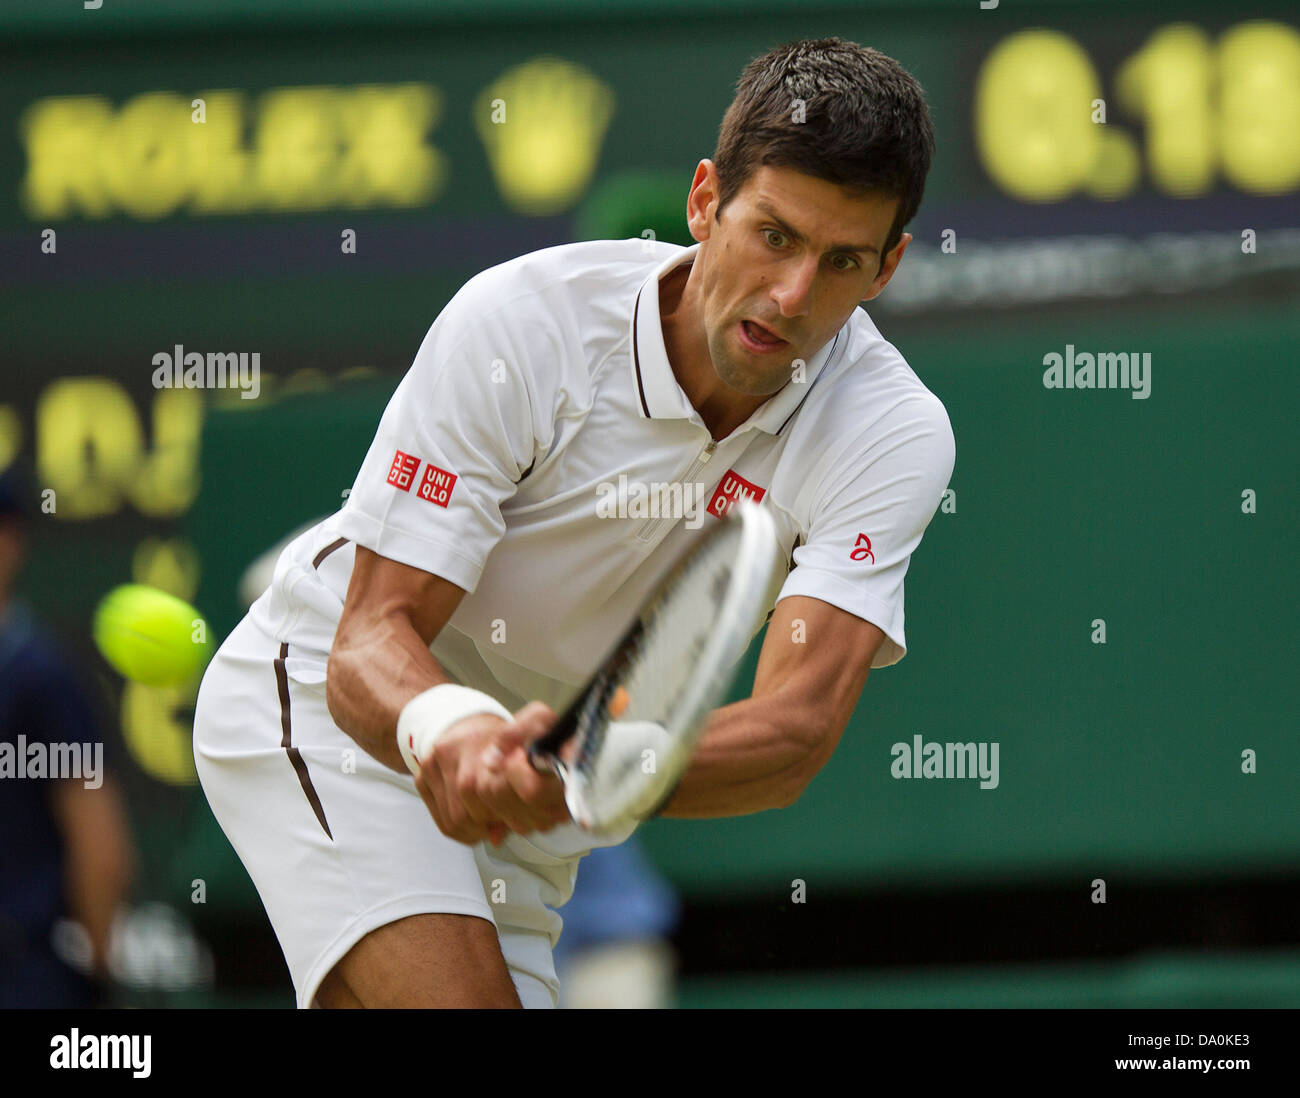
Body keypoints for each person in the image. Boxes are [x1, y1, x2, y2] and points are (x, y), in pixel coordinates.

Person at [193, 37, 954, 1008]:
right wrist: (456, 731)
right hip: (330, 709)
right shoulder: (523, 322)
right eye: (773, 235)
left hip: (536, 814)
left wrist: (580, 774)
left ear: (887, 266)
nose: (793, 296)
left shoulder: (891, 432)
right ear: (704, 200)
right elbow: (368, 636)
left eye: (841, 260)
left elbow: (793, 733)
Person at [0, 463, 136, 1006]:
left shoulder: (39, 678)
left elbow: (99, 847)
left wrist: (96, 965)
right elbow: (100, 848)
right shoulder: (40, 673)